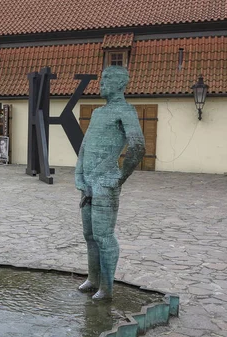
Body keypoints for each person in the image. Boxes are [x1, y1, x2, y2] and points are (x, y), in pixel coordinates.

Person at [74, 66, 145, 300]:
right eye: (101, 79)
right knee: (89, 235)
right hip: (88, 183)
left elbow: (137, 146)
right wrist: (80, 177)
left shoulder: (126, 111)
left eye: (106, 80)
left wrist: (119, 177)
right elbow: (84, 147)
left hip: (106, 183)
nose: (101, 84)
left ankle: (107, 287)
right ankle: (93, 279)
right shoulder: (97, 113)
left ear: (121, 84)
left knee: (104, 236)